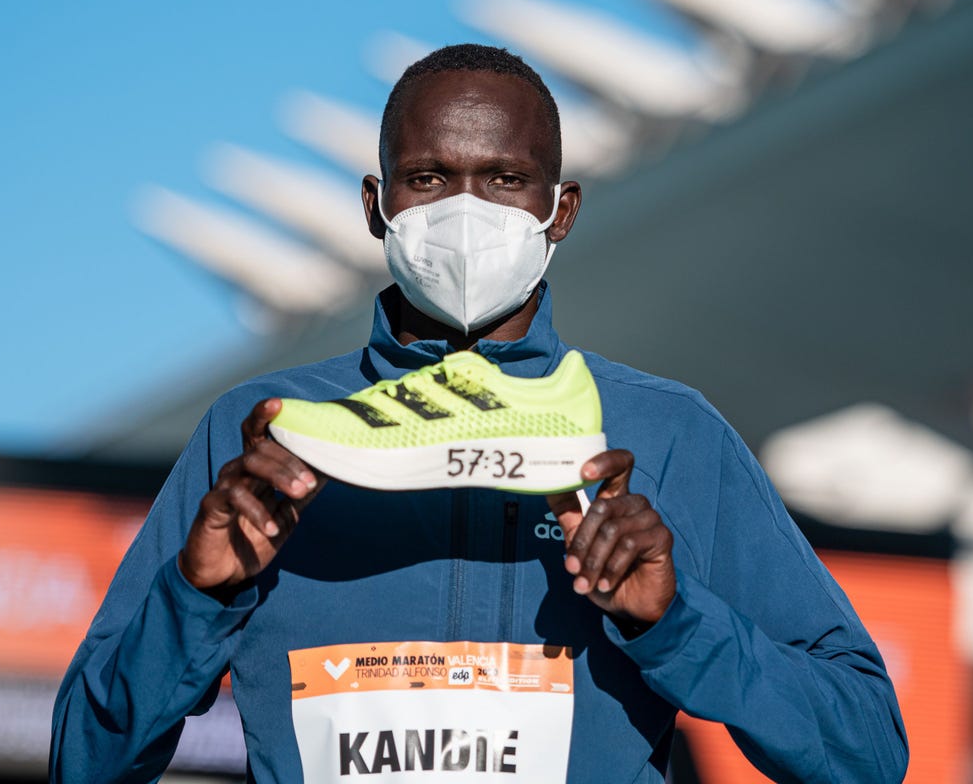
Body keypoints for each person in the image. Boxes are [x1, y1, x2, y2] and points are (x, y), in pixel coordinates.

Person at [50, 44, 908, 783]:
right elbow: (82, 761)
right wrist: (195, 597)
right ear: (375, 205)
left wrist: (677, 625)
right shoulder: (268, 432)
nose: (467, 213)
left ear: (559, 210)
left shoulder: (666, 432)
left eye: (504, 179)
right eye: (429, 178)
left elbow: (867, 750)